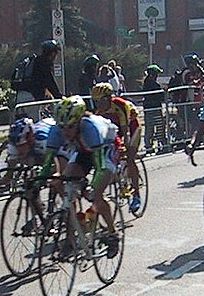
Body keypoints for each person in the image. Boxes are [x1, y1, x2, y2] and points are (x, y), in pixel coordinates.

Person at [37, 96, 120, 258]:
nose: (65, 132)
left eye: (70, 127)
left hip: (105, 149)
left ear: (79, 121)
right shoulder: (57, 130)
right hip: (84, 150)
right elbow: (48, 162)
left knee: (96, 194)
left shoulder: (90, 128)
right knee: (64, 182)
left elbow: (100, 166)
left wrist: (92, 186)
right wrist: (40, 180)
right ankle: (71, 238)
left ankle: (112, 233)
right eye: (62, 127)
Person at [91, 82, 143, 213]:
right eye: (95, 101)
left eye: (100, 100)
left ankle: (136, 194)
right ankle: (120, 178)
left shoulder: (119, 104)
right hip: (116, 128)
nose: (98, 104)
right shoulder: (99, 112)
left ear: (108, 98)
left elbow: (125, 131)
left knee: (129, 158)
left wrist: (125, 147)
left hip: (132, 126)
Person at [141, 64, 168, 153]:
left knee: (149, 128)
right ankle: (162, 145)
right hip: (154, 108)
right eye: (157, 74)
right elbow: (160, 96)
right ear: (153, 74)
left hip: (148, 108)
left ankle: (149, 147)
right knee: (159, 126)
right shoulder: (153, 84)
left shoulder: (146, 83)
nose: (157, 76)